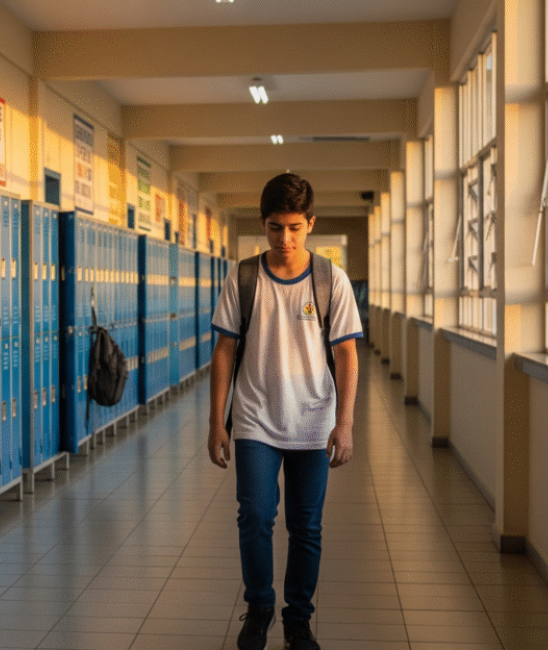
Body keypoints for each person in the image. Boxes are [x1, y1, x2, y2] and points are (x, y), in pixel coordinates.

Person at [205, 173, 362, 650]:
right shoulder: (245, 277)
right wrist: (217, 423)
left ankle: (297, 618)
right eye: (275, 228)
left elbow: (348, 354)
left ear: (310, 223)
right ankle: (259, 607)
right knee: (254, 515)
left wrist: (346, 423)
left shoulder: (330, 280)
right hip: (255, 417)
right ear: (263, 224)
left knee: (305, 526)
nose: (285, 239)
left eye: (294, 227)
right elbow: (224, 351)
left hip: (314, 421)